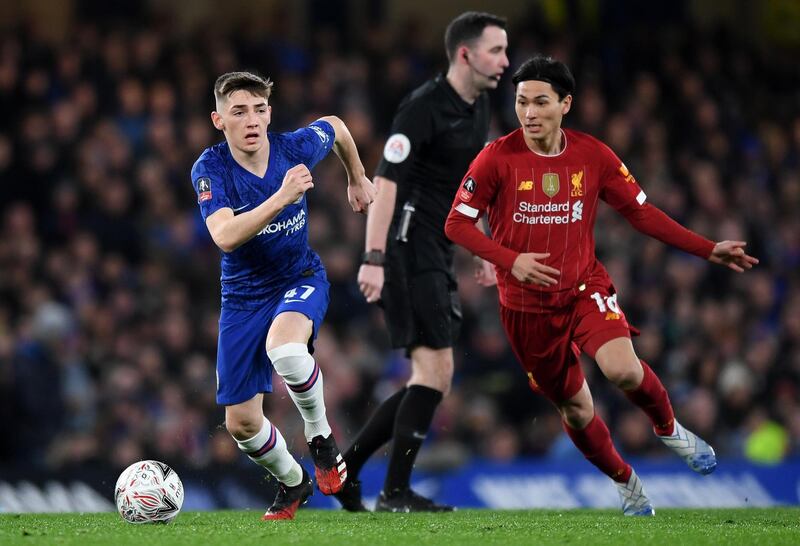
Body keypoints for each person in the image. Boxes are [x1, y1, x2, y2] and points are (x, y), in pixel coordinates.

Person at [444, 55, 759, 516]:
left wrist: (707, 248)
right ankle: (625, 480)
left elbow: (641, 213)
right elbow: (456, 223)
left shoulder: (593, 155)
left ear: (565, 104)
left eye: (540, 102)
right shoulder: (496, 158)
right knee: (575, 410)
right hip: (525, 309)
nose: (529, 113)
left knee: (623, 370)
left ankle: (669, 428)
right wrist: (511, 261)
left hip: (583, 288)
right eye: (521, 102)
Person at [334, 11, 509, 513]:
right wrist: (373, 257)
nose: (505, 60)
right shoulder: (422, 108)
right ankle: (392, 493)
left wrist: (483, 246)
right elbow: (385, 184)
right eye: (496, 50)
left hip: (436, 246)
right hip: (407, 246)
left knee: (431, 376)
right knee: (435, 371)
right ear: (465, 54)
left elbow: (472, 184)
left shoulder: (477, 106)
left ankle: (348, 474)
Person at [190, 71, 376, 520]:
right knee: (242, 425)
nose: (251, 119)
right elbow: (225, 235)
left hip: (299, 278)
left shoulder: (292, 148)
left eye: (258, 109)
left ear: (269, 113)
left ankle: (322, 441)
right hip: (242, 298)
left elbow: (336, 126)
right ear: (220, 120)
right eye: (239, 111)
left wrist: (357, 176)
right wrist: (282, 195)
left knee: (286, 348)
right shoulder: (210, 169)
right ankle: (294, 482)